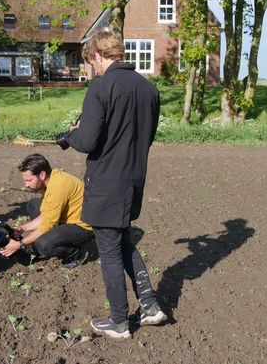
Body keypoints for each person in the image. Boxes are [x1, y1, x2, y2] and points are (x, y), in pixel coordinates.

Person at [55, 30, 167, 340]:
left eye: (92, 61)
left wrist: (68, 136)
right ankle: (150, 306)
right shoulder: (149, 89)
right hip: (134, 178)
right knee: (123, 240)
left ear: (100, 56)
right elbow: (145, 137)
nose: (93, 68)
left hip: (107, 181)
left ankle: (119, 321)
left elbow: (89, 139)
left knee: (110, 250)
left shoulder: (101, 88)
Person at [0, 154, 93, 270]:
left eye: (29, 180)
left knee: (42, 244)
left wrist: (20, 244)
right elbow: (46, 215)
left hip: (84, 225)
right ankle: (54, 238)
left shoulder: (58, 186)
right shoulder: (49, 180)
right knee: (33, 205)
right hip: (66, 217)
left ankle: (76, 254)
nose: (26, 185)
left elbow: (48, 223)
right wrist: (22, 228)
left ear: (42, 175)